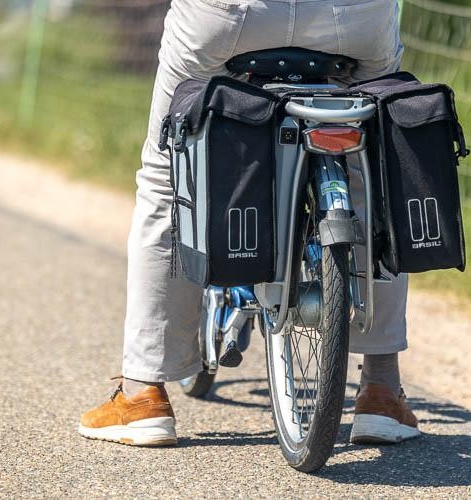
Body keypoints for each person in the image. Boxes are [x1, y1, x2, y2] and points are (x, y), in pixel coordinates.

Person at [78, 0, 418, 447]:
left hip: (233, 15)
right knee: (372, 174)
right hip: (353, 17)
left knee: (168, 174)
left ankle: (143, 395)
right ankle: (381, 391)